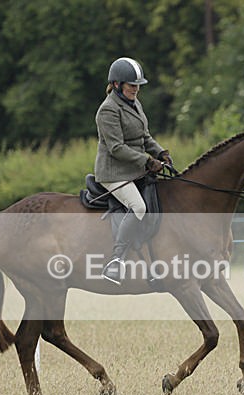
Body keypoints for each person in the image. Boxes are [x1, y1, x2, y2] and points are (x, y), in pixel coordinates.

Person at [94, 57, 172, 285]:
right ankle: (115, 261)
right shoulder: (107, 110)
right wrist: (147, 162)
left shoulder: (134, 104)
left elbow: (144, 137)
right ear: (117, 84)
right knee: (138, 207)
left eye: (138, 85)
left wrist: (160, 153)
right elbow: (116, 148)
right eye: (132, 85)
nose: (136, 89)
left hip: (135, 170)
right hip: (114, 173)